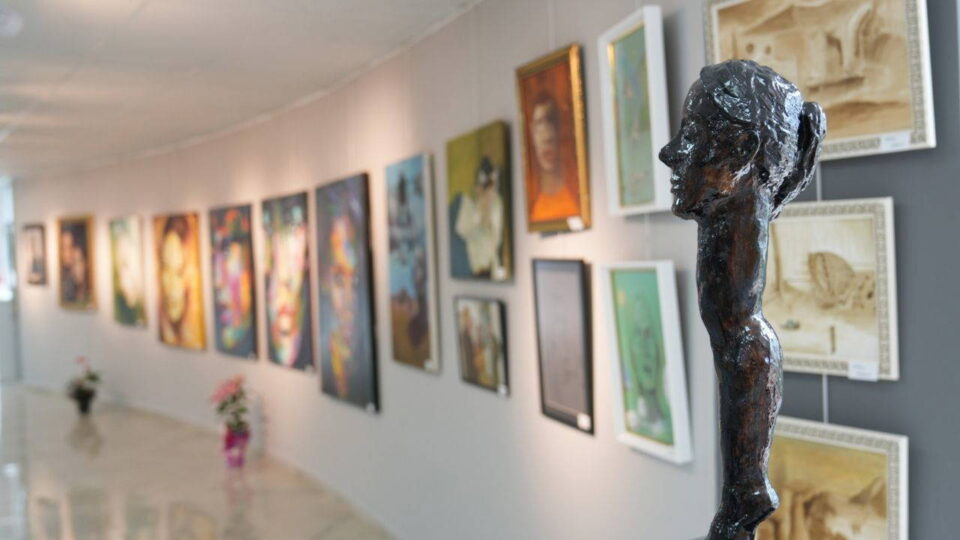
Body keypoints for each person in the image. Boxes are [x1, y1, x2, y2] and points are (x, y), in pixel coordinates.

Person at [659, 60, 825, 539]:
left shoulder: (748, 339)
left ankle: (747, 491)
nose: (669, 152)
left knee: (737, 328)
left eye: (691, 134)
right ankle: (746, 490)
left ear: (739, 152)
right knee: (732, 326)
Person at [528, 91, 578, 222]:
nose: (546, 137)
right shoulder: (535, 206)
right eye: (539, 123)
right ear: (532, 133)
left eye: (550, 122)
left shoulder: (574, 195)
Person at [454, 156, 504, 279]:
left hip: (492, 268)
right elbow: (462, 230)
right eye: (485, 188)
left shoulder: (497, 203)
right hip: (473, 269)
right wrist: (479, 213)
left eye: (492, 188)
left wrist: (488, 215)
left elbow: (497, 239)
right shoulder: (468, 204)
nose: (489, 193)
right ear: (478, 187)